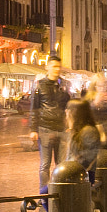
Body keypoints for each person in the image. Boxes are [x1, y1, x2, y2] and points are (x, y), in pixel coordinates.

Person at [31, 58, 73, 191]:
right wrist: (33, 129)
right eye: (54, 66)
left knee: (61, 164)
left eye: (58, 67)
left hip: (62, 128)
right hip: (45, 128)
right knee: (45, 164)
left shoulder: (64, 85)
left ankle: (59, 190)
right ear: (47, 67)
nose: (57, 69)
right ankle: (44, 193)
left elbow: (69, 106)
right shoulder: (40, 85)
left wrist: (70, 122)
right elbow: (34, 108)